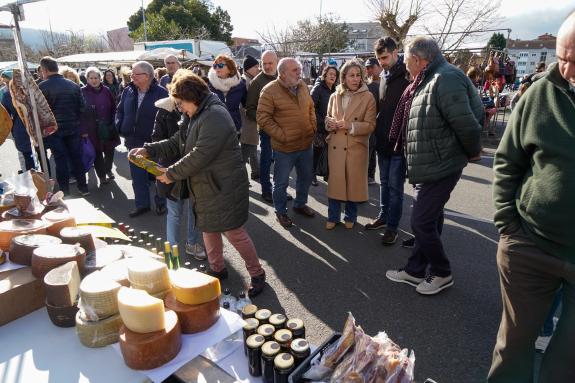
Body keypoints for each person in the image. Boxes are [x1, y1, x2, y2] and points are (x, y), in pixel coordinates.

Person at [487, 12, 575, 382]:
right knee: (513, 347)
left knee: (568, 359)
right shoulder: (541, 92)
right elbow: (508, 160)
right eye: (562, 57)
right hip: (529, 245)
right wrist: (508, 225)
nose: (567, 71)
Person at [133, 70, 267, 298]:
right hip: (205, 185)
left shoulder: (214, 115)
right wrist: (151, 149)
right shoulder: (195, 113)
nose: (180, 108)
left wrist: (171, 173)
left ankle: (257, 273)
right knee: (207, 228)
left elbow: (200, 154)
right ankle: (217, 268)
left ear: (192, 97)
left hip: (223, 186)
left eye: (181, 103)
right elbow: (178, 141)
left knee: (234, 232)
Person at [384, 36, 482, 295]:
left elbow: (466, 122)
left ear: (417, 59)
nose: (406, 67)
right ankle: (416, 270)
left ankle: (441, 272)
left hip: (442, 163)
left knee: (421, 222)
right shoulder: (428, 77)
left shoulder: (444, 78)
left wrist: (473, 152)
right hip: (428, 163)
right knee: (430, 217)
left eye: (407, 61)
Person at [152, 69, 206, 262]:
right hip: (171, 169)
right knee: (174, 212)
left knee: (193, 210)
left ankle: (192, 244)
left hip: (193, 169)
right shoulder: (164, 110)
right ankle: (172, 250)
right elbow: (158, 138)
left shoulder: (199, 109)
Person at [257, 58, 317, 228]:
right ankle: (281, 212)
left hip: (305, 144)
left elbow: (311, 107)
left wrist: (312, 127)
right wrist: (282, 136)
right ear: (282, 73)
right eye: (295, 70)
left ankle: (299, 204)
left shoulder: (302, 86)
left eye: (299, 69)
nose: (299, 72)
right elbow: (262, 118)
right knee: (281, 182)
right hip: (284, 148)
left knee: (305, 178)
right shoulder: (269, 91)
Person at [364, 37, 410, 246]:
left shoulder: (408, 75)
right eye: (379, 58)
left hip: (399, 143)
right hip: (382, 141)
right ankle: (384, 217)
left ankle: (393, 227)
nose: (381, 62)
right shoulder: (384, 75)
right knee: (384, 183)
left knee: (395, 187)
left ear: (395, 53)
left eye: (384, 57)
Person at [324, 59, 376, 229]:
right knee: (336, 182)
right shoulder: (334, 95)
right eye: (351, 75)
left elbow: (370, 125)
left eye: (358, 75)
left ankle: (350, 216)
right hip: (336, 146)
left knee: (353, 183)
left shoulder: (368, 97)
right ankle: (332, 216)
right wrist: (329, 124)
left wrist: (350, 125)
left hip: (356, 147)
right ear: (343, 77)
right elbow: (327, 118)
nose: (355, 79)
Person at [115, 60, 168, 217]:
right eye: (132, 73)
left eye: (135, 74)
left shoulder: (162, 93)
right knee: (138, 177)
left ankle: (161, 203)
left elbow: (168, 119)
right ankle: (142, 205)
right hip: (134, 141)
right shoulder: (128, 91)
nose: (132, 76)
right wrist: (120, 126)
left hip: (154, 143)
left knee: (157, 175)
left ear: (148, 76)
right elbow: (119, 111)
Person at [38, 56, 89, 196]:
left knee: (60, 159)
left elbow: (38, 113)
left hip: (53, 130)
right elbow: (82, 107)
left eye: (41, 71)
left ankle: (65, 191)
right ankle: (83, 187)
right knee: (76, 157)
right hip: (73, 127)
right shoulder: (73, 85)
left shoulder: (41, 87)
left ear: (45, 70)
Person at [246, 50, 279, 203]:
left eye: (270, 63)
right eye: (264, 63)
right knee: (266, 161)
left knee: (282, 163)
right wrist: (265, 121)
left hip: (285, 130)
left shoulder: (283, 76)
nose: (266, 66)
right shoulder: (257, 82)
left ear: (277, 62)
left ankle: (280, 191)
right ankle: (266, 190)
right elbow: (250, 109)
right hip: (267, 131)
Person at [79, 67, 120, 185]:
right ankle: (102, 176)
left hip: (108, 125)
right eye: (91, 78)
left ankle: (108, 170)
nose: (93, 80)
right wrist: (83, 130)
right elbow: (80, 113)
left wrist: (114, 122)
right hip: (92, 128)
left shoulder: (106, 90)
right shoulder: (82, 91)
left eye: (96, 78)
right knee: (97, 153)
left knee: (110, 150)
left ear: (100, 78)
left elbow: (113, 107)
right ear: (86, 79)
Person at [1, 70, 36, 171]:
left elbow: (5, 115)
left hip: (20, 128)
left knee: (28, 156)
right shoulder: (31, 91)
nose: (6, 85)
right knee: (40, 155)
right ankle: (45, 178)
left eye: (7, 82)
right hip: (34, 125)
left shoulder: (7, 95)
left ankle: (34, 180)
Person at [310, 66, 338, 186]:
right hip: (319, 127)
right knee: (317, 151)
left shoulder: (335, 90)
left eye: (335, 75)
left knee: (330, 151)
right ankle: (311, 175)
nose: (332, 76)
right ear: (324, 75)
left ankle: (327, 174)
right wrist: (321, 121)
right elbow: (310, 107)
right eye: (330, 74)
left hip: (331, 127)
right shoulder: (318, 88)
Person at [207, 54, 247, 135]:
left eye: (220, 65)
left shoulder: (240, 84)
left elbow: (247, 104)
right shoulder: (208, 84)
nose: (217, 68)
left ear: (230, 69)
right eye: (215, 65)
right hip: (213, 129)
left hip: (234, 128)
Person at [240, 55, 261, 181]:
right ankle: (241, 179)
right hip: (247, 121)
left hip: (249, 121)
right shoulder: (246, 81)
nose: (258, 68)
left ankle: (255, 171)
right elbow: (246, 104)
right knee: (246, 150)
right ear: (248, 68)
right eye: (255, 66)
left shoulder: (249, 79)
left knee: (252, 147)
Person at [365, 57, 382, 185]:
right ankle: (369, 176)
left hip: (382, 124)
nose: (369, 70)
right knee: (369, 150)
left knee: (376, 150)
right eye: (367, 68)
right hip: (368, 123)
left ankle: (371, 175)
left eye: (372, 67)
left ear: (379, 66)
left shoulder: (385, 83)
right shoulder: (366, 86)